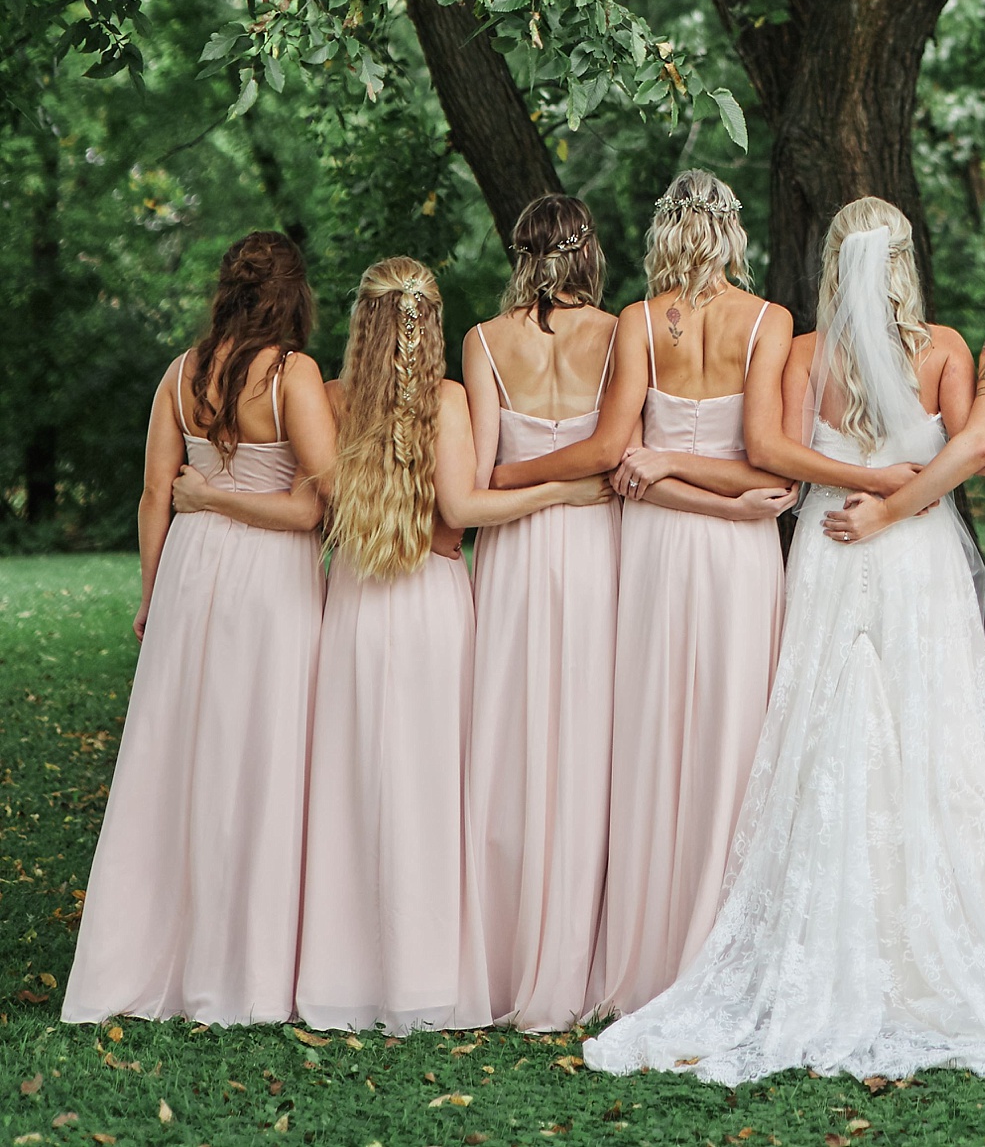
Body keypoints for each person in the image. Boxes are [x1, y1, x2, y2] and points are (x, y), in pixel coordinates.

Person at [584, 195, 985, 1083]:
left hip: (830, 540)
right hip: (914, 548)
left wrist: (853, 488)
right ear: (905, 259)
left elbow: (773, 448)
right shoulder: (940, 347)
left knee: (827, 723)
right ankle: (929, 943)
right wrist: (895, 491)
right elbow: (961, 453)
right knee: (922, 727)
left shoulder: (804, 352)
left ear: (832, 262)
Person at [503, 170, 795, 1014]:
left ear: (666, 232)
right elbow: (766, 467)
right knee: (731, 729)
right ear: (732, 232)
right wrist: (729, 501)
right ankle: (718, 940)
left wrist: (668, 463)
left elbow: (621, 456)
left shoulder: (637, 320)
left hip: (658, 540)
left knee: (654, 728)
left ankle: (652, 950)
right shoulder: (769, 321)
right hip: (739, 547)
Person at [296, 257, 609, 1033]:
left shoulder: (335, 400)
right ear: (431, 322)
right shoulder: (448, 399)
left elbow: (317, 503)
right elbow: (465, 508)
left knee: (354, 787)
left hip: (358, 605)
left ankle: (347, 981)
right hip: (435, 600)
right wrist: (562, 490)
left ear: (360, 322)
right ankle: (433, 978)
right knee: (438, 792)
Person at [64, 233, 332, 1025]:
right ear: (293, 295)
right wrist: (223, 502)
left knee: (179, 760)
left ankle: (156, 956)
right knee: (259, 754)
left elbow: (156, 495)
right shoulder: (292, 374)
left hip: (189, 574)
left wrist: (153, 592)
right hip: (268, 581)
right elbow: (312, 507)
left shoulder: (181, 374)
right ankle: (243, 968)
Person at [463, 195, 622, 1030]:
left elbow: (486, 475)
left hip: (518, 553)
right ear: (586, 252)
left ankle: (499, 948)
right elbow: (615, 454)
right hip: (595, 543)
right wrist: (573, 486)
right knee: (588, 735)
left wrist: (532, 479)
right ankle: (576, 947)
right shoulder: (618, 331)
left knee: (512, 733)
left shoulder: (484, 342)